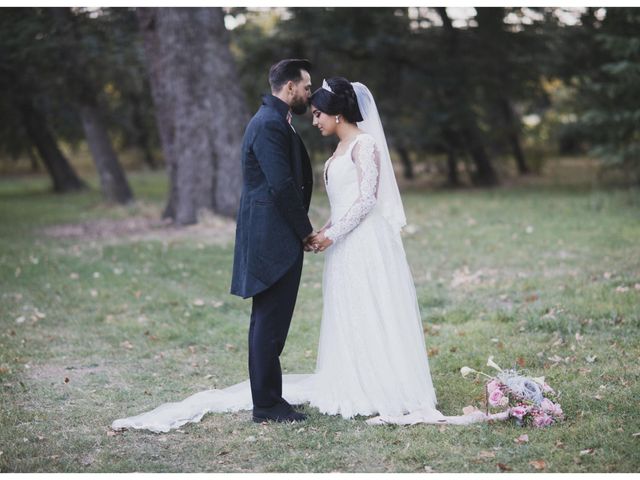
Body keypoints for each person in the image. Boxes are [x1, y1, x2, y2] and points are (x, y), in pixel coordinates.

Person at [110, 76, 490, 434]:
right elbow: (342, 203)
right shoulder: (339, 148)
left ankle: (384, 384)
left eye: (319, 114)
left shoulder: (365, 145)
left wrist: (327, 234)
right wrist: (321, 231)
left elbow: (366, 200)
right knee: (349, 310)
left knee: (373, 306)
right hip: (341, 242)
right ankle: (356, 379)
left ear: (337, 114)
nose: (315, 119)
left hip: (364, 242)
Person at [229, 59, 316, 423]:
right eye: (307, 87)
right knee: (268, 323)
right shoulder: (268, 124)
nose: (310, 94)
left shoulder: (276, 121)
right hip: (273, 238)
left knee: (270, 323)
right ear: (291, 87)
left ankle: (268, 399)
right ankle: (266, 405)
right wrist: (305, 231)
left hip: (276, 234)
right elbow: (280, 185)